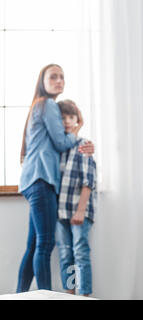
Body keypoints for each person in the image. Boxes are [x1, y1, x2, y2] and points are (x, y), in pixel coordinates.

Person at [17, 64, 94, 292]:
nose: (59, 80)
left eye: (62, 77)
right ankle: (46, 296)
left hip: (33, 180)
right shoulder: (48, 105)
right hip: (42, 180)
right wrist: (78, 132)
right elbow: (61, 142)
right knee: (45, 244)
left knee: (33, 246)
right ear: (42, 81)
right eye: (53, 77)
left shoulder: (38, 106)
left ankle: (18, 294)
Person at [55, 100, 97, 297]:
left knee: (80, 251)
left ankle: (84, 295)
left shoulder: (83, 146)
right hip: (60, 210)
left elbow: (88, 181)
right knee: (65, 254)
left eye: (70, 117)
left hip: (79, 209)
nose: (66, 121)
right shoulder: (58, 148)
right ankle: (68, 294)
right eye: (62, 117)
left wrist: (80, 210)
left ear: (77, 120)